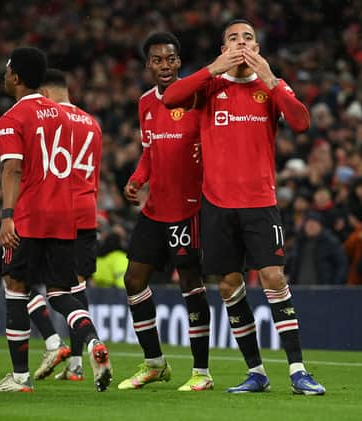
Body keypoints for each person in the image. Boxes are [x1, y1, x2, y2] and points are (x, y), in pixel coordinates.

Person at [163, 19, 325, 395]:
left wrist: (269, 76)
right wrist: (210, 70)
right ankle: (256, 372)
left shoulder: (269, 86)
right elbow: (170, 98)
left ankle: (298, 371)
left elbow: (301, 122)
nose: (241, 43)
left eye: (248, 38)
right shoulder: (210, 86)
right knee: (229, 285)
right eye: (233, 39)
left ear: (258, 47)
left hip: (259, 202)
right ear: (223, 50)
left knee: (273, 278)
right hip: (217, 205)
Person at [0, 47, 111, 393]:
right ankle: (92, 344)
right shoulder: (65, 116)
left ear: (17, 77)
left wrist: (7, 216)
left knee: (15, 286)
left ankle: (21, 377)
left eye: (8, 69)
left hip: (29, 214)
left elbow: (13, 168)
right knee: (61, 291)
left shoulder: (11, 118)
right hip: (65, 214)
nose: (5, 74)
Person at [119, 32, 213, 392]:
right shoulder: (145, 102)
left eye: (171, 59)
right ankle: (155, 363)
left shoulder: (196, 96)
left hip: (188, 208)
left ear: (179, 61)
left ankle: (202, 372)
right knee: (133, 280)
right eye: (157, 60)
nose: (165, 66)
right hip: (155, 208)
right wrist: (137, 179)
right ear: (147, 65)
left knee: (191, 284)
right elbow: (149, 151)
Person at [22, 68, 104, 382]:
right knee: (77, 285)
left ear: (43, 94)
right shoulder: (92, 123)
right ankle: (77, 364)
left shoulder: (52, 121)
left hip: (54, 209)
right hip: (87, 207)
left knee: (19, 279)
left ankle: (52, 342)